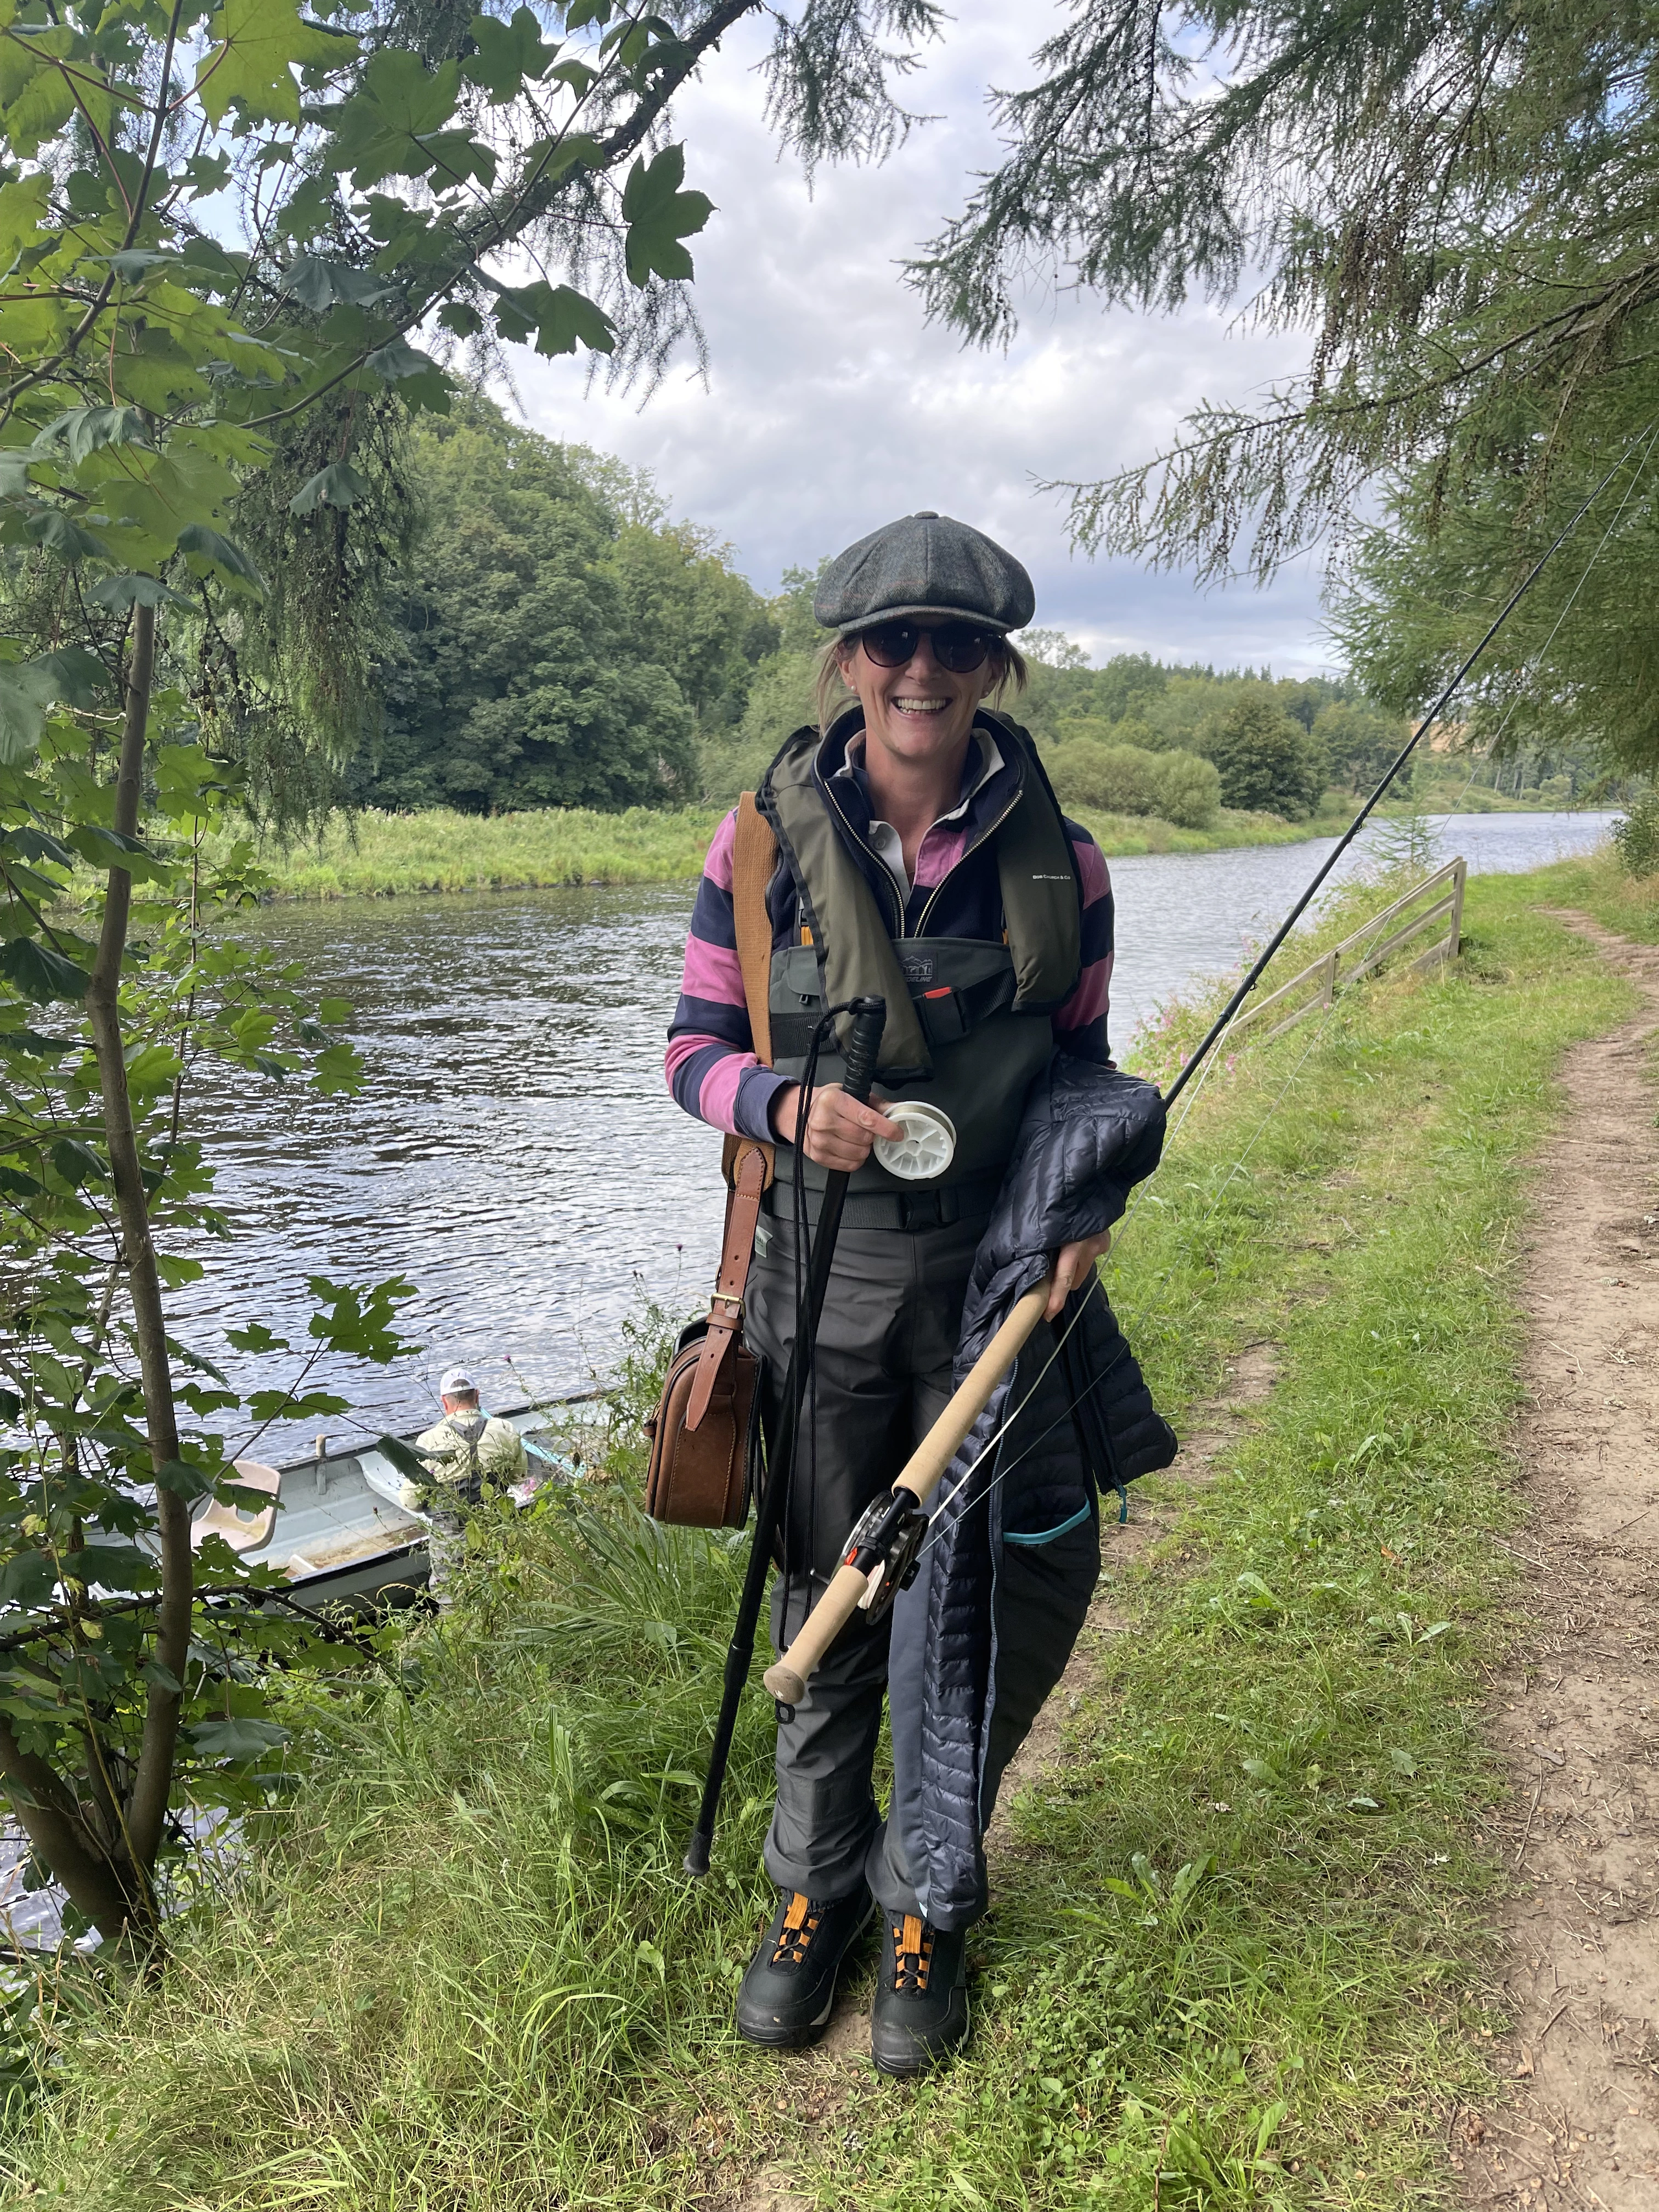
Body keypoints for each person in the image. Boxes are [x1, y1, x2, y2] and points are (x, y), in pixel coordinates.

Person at [665, 512, 1120, 2074]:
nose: (921, 671)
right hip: (821, 1273)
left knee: (977, 1581)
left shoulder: (1068, 861)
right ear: (848, 661)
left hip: (999, 1284)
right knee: (828, 1577)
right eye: (892, 642)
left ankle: (929, 1896)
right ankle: (813, 1888)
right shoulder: (753, 847)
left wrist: (1084, 1213)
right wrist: (782, 1108)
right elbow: (687, 1056)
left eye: (957, 645)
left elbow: (1080, 1073)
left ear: (994, 668)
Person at [402, 1364, 528, 1602]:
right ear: (477, 1396)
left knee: (451, 1599)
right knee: (503, 1590)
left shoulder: (428, 1443)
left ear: (444, 1402)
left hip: (451, 1538)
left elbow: (411, 1502)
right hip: (496, 1528)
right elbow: (519, 1477)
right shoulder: (505, 1430)